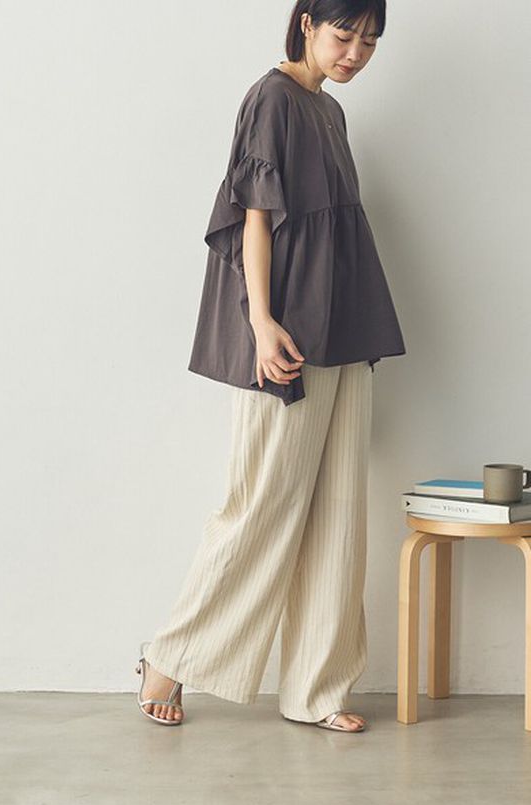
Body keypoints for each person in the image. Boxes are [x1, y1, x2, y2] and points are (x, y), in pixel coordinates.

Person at [135, 0, 406, 733]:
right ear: (308, 22)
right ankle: (169, 657)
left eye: (370, 41)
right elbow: (255, 216)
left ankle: (316, 688)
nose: (355, 53)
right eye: (345, 35)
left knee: (338, 508)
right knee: (261, 502)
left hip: (343, 324)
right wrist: (260, 320)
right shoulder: (273, 98)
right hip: (285, 329)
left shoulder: (330, 111)